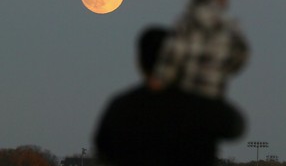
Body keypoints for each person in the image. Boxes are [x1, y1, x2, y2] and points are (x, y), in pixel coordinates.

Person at [94, 26, 245, 166]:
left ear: (139, 62)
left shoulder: (120, 108)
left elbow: (103, 152)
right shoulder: (197, 106)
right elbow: (236, 127)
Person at [153, 0, 250, 99]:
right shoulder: (230, 25)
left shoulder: (186, 23)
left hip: (184, 100)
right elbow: (240, 56)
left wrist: (159, 81)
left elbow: (172, 59)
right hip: (214, 100)